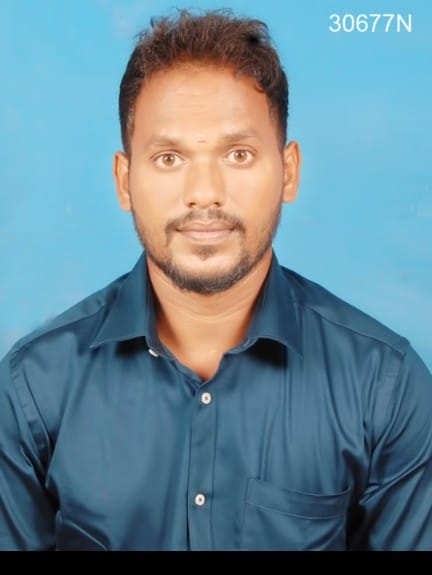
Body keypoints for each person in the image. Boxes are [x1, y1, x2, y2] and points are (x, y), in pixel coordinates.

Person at [0, 9, 431, 552]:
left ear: (289, 171)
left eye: (238, 154)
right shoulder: (32, 390)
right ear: (124, 181)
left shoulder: (384, 387)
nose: (204, 193)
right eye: (169, 157)